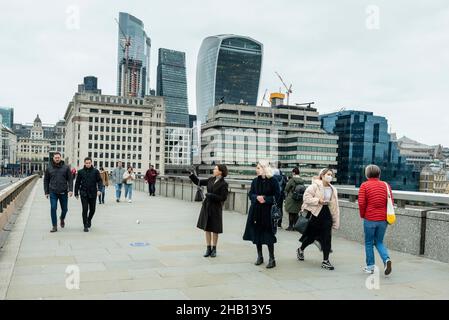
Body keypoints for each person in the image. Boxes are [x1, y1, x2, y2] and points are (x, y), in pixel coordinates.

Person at [297, 168, 340, 270]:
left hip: (326, 214)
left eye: (331, 175)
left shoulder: (333, 189)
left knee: (327, 237)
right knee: (311, 237)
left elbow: (335, 205)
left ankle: (325, 260)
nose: (330, 176)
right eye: (328, 174)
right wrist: (318, 200)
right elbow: (306, 198)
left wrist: (335, 219)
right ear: (322, 175)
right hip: (315, 214)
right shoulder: (314, 186)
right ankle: (301, 249)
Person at [243, 160, 281, 269]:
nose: (256, 170)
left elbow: (277, 195)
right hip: (256, 211)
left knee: (268, 235)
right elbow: (251, 194)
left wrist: (265, 199)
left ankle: (272, 258)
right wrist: (256, 198)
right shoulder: (255, 181)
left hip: (268, 212)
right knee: (257, 233)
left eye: (258, 168)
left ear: (264, 168)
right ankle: (260, 256)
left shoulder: (273, 181)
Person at [358, 164, 393, 276]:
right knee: (379, 242)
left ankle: (370, 267)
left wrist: (363, 215)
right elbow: (391, 201)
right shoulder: (386, 185)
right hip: (383, 219)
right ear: (379, 174)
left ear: (367, 174)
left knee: (369, 242)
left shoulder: (364, 185)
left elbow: (362, 203)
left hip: (370, 218)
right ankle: (386, 260)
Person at [189, 165, 229, 258]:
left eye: (215, 169)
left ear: (220, 171)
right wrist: (191, 174)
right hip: (207, 206)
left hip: (216, 208)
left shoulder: (224, 184)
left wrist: (211, 195)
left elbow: (223, 197)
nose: (213, 170)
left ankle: (214, 249)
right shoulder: (211, 179)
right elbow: (198, 182)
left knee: (215, 229)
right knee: (207, 228)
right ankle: (208, 248)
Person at [43, 152, 73, 233]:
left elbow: (70, 179)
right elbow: (46, 180)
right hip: (53, 191)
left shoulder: (66, 168)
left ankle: (62, 218)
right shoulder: (49, 168)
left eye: (58, 157)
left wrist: (70, 190)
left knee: (65, 210)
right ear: (53, 158)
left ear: (60, 158)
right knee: (53, 208)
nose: (57, 159)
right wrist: (46, 192)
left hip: (63, 192)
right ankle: (54, 226)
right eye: (55, 157)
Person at [74, 157, 103, 232]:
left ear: (91, 163)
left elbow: (100, 181)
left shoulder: (96, 171)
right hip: (83, 193)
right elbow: (77, 183)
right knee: (85, 209)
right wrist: (76, 193)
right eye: (86, 163)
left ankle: (89, 219)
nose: (88, 164)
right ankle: (85, 225)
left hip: (93, 193)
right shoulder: (80, 172)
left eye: (89, 163)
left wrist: (100, 190)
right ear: (84, 163)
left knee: (92, 210)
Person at [272, 161, 287, 228]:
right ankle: (279, 223)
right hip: (280, 194)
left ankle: (272, 221)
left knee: (272, 207)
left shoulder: (271, 176)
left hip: (272, 194)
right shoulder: (283, 176)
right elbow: (285, 185)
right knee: (280, 208)